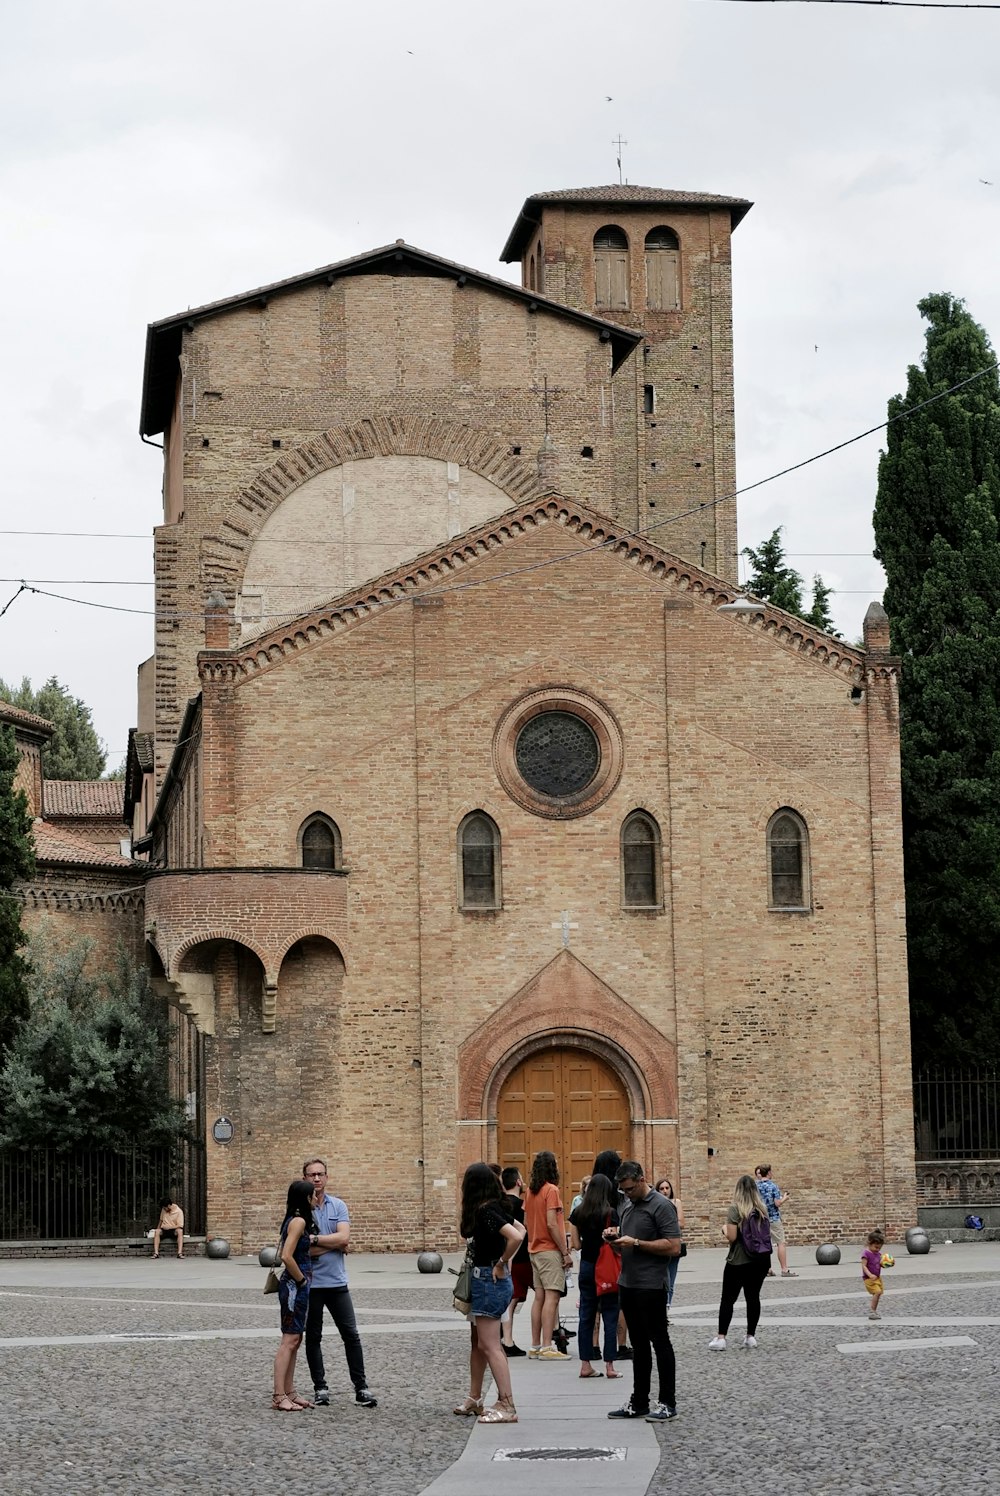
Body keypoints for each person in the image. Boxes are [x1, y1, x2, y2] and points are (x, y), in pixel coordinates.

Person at [603, 1160, 680, 1422]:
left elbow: (673, 1247)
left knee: (660, 1341)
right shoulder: (627, 1206)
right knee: (638, 1345)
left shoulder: (662, 1205)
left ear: (641, 1179)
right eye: (623, 1190)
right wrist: (615, 1242)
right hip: (628, 1283)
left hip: (652, 1284)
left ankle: (668, 1402)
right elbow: (627, 1247)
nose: (627, 1194)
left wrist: (636, 1242)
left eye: (630, 1189)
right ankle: (639, 1401)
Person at [452, 1161, 526, 1424]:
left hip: (488, 1279)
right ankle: (477, 1398)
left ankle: (506, 1403)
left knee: (490, 1345)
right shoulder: (495, 1206)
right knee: (481, 1342)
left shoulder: (486, 1210)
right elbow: (521, 1230)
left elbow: (517, 1237)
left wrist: (501, 1261)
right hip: (484, 1279)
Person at [302, 1159, 378, 1408]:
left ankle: (361, 1387)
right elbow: (302, 1252)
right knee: (313, 1337)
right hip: (312, 1284)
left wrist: (317, 1240)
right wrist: (333, 1244)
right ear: (304, 1178)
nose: (316, 1179)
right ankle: (320, 1387)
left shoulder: (339, 1205)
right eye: (312, 1174)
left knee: (351, 1335)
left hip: (337, 1283)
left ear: (327, 1176)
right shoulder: (300, 1211)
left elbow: (345, 1238)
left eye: (320, 1174)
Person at [709, 1174, 773, 1352]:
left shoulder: (735, 1209)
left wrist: (723, 1229)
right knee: (753, 1298)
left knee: (728, 1299)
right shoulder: (762, 1209)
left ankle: (721, 1338)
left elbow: (732, 1237)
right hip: (760, 1261)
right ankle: (750, 1336)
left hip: (738, 1261)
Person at [569, 1173, 620, 1379]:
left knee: (586, 1316)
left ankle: (585, 1364)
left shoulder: (577, 1213)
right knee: (610, 1314)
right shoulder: (611, 1213)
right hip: (606, 1267)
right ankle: (609, 1366)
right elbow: (615, 1242)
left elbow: (576, 1244)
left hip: (587, 1267)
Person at [273, 1178, 318, 1411]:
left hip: (297, 1286)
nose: (317, 1197)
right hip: (294, 1286)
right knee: (289, 1340)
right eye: (314, 1194)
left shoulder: (294, 1219)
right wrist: (300, 1280)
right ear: (306, 1198)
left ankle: (289, 1392)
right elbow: (286, 1256)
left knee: (295, 1340)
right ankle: (279, 1395)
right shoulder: (299, 1221)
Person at [524, 1149, 573, 1360]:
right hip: (549, 1250)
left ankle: (535, 1345)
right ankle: (547, 1347)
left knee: (539, 1298)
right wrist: (565, 1251)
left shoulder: (530, 1191)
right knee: (552, 1298)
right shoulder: (551, 1190)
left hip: (534, 1250)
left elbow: (526, 1222)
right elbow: (553, 1223)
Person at [593, 1149, 631, 1359]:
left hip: (593, 1258)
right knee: (619, 1302)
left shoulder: (586, 1199)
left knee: (594, 1304)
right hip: (616, 1255)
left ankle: (594, 1347)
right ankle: (622, 1346)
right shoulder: (621, 1197)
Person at [500, 1167, 530, 1357]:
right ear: (518, 1182)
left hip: (509, 1256)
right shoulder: (523, 1206)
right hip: (524, 1257)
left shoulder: (500, 1205)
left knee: (512, 1300)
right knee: (549, 1294)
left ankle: (507, 1338)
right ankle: (551, 1334)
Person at [755, 1164, 797, 1277]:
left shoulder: (754, 1186)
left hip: (759, 1218)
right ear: (768, 1173)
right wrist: (785, 1198)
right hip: (773, 1218)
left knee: (765, 1244)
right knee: (781, 1243)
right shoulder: (773, 1186)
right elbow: (777, 1203)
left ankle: (767, 1269)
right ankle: (784, 1269)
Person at [654, 1179, 685, 1312]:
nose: (665, 1191)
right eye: (662, 1188)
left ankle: (667, 1307)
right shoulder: (655, 1204)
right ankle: (661, 1307)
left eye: (667, 1188)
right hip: (660, 1245)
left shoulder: (676, 1202)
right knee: (662, 1279)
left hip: (673, 1245)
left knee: (671, 1280)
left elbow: (681, 1223)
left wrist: (666, 1226)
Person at [862, 1230, 886, 1320]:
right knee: (877, 1292)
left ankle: (874, 1311)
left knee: (878, 1293)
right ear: (869, 1243)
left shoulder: (878, 1254)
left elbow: (879, 1264)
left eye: (879, 1248)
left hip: (877, 1278)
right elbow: (864, 1266)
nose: (877, 1249)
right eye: (876, 1247)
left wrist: (885, 1264)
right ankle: (872, 1311)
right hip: (869, 1279)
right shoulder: (866, 1254)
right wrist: (870, 1275)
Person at [152, 1195, 185, 1259]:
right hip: (164, 1229)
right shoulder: (164, 1210)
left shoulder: (179, 1212)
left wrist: (170, 1227)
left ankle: (179, 1253)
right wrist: (157, 1228)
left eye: (165, 1208)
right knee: (157, 1231)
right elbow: (161, 1220)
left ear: (169, 1206)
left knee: (180, 1231)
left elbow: (180, 1225)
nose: (164, 1209)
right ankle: (156, 1253)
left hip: (173, 1230)